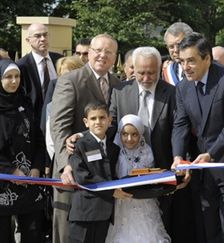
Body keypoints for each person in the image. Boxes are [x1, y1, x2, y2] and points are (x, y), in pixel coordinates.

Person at [171, 32, 224, 243]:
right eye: (182, 62)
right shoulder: (182, 88)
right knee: (209, 233)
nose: (185, 67)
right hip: (203, 176)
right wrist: (178, 156)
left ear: (207, 58)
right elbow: (180, 125)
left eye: (191, 61)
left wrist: (210, 154)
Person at [109, 46, 198, 242]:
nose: (147, 78)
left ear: (159, 69)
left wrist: (182, 160)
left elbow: (179, 129)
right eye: (141, 72)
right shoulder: (119, 92)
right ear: (133, 68)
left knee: (162, 224)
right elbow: (110, 129)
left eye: (152, 72)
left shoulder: (174, 93)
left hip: (163, 170)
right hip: (127, 174)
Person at [50, 33, 120, 243]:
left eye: (108, 52)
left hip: (102, 174)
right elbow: (59, 124)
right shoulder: (70, 80)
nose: (102, 56)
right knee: (69, 233)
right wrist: (65, 164)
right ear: (89, 52)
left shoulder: (118, 84)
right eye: (98, 50)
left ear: (115, 57)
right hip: (72, 170)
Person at [68, 102, 131, 243]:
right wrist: (112, 191)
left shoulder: (113, 148)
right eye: (93, 118)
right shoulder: (78, 145)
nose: (98, 122)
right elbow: (82, 177)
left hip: (104, 213)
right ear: (86, 122)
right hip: (84, 213)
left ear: (109, 120)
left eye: (102, 118)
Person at [0, 59, 45, 243]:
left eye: (17, 76)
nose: (14, 81)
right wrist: (11, 171)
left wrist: (36, 167)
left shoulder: (25, 103)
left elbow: (38, 140)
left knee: (34, 232)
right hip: (3, 185)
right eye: (8, 77)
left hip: (29, 181)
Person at [106, 114, 170, 243]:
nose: (129, 139)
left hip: (144, 202)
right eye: (124, 134)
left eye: (134, 134)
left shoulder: (148, 152)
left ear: (140, 134)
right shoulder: (115, 152)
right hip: (122, 202)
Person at [17, 23, 63, 125]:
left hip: (60, 118)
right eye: (37, 36)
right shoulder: (22, 66)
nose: (43, 39)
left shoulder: (60, 60)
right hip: (35, 122)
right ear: (28, 40)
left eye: (45, 35)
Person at [43, 56, 85, 160]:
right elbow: (51, 142)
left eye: (72, 75)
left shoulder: (92, 99)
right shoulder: (52, 106)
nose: (68, 81)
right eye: (63, 77)